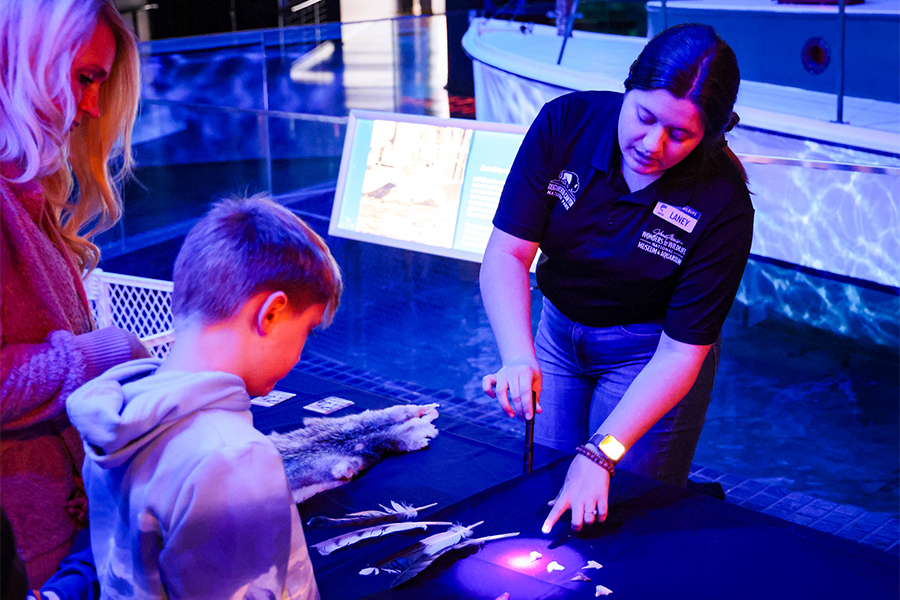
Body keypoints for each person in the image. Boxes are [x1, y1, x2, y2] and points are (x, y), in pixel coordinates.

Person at [480, 23, 754, 534]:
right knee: (550, 489)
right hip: (558, 335)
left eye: (680, 134)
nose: (653, 144)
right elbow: (508, 253)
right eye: (645, 117)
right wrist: (518, 355)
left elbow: (681, 353)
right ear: (628, 88)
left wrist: (603, 454)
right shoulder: (567, 123)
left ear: (710, 135)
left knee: (621, 507)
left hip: (648, 354)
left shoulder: (724, 204)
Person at [65, 196, 342, 599]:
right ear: (271, 314)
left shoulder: (115, 417)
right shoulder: (232, 456)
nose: (301, 352)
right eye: (308, 330)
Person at [0, 0, 144, 587]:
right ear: (22, 57)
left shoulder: (28, 191)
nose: (90, 108)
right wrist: (103, 354)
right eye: (84, 78)